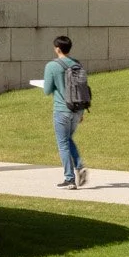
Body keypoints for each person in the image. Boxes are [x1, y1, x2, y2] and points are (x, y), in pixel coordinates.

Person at [41, 35, 90, 188]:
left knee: (63, 143)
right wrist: (81, 112)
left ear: (57, 49)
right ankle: (79, 166)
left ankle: (69, 178)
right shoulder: (77, 64)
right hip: (77, 108)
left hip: (61, 109)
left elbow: (47, 90)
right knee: (67, 139)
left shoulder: (52, 66)